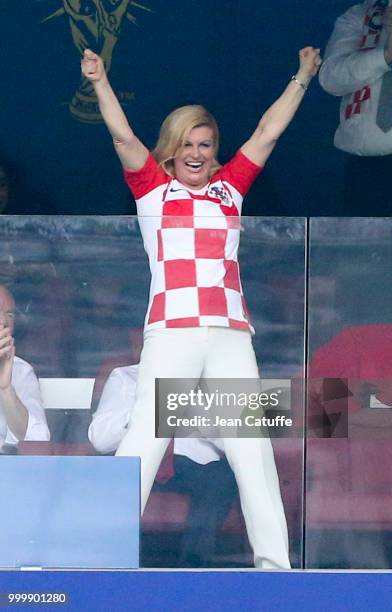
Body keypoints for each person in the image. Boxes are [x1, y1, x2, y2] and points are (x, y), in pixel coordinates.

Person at [81, 45, 321, 569]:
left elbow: (267, 132)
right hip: (172, 330)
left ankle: (275, 569)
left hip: (232, 334)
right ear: (172, 147)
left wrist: (302, 76)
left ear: (215, 150)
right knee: (146, 435)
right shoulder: (152, 190)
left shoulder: (229, 190)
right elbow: (122, 137)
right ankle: (98, 557)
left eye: (205, 144)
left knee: (252, 447)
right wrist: (100, 82)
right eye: (187, 143)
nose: (196, 152)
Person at [89, 364, 239, 567]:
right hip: (138, 462)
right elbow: (100, 440)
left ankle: (193, 568)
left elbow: (235, 444)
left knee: (223, 478)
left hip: (197, 466)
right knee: (110, 475)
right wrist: (143, 410)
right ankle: (116, 566)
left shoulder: (214, 380)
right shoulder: (126, 376)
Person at [319, 1, 392, 215]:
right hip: (366, 172)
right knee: (364, 246)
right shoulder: (361, 14)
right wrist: (385, 56)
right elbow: (330, 78)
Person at [0, 285, 50, 448]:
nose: (3, 322)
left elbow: (38, 439)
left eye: (9, 314)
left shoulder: (20, 371)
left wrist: (6, 390)